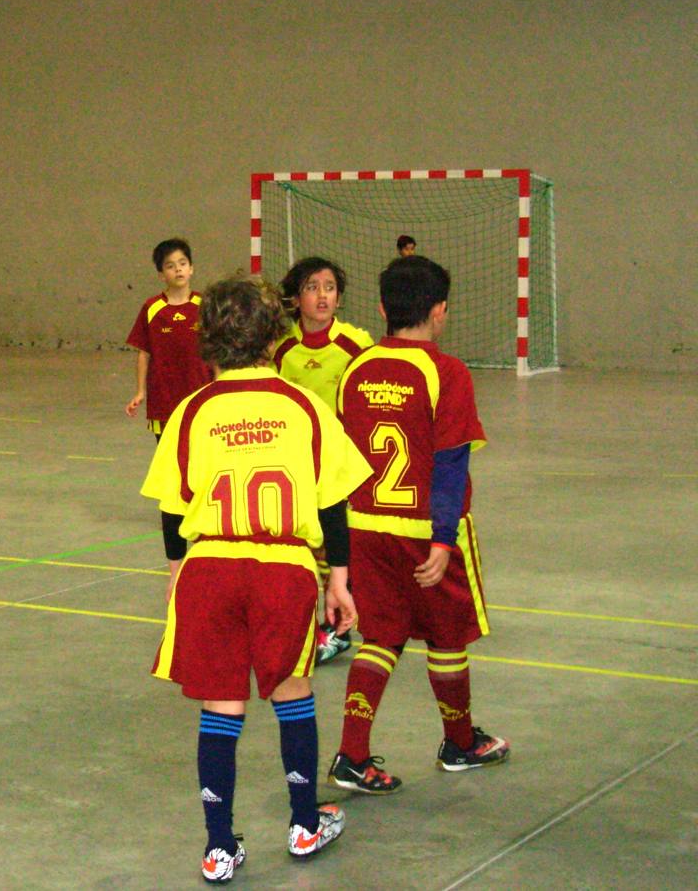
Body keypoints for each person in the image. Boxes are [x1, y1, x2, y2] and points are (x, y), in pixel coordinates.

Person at [142, 274, 372, 882]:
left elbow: (171, 508)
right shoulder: (304, 407)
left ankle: (219, 846)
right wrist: (340, 581)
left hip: (210, 567)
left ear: (206, 339)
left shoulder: (192, 411)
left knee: (221, 704)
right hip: (282, 568)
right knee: (291, 692)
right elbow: (332, 504)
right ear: (276, 334)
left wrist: (175, 575)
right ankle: (303, 824)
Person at [326, 255, 510, 797]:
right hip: (423, 530)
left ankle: (351, 756)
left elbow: (338, 464)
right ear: (439, 311)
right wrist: (442, 537)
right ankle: (459, 743)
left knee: (380, 636)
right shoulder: (446, 372)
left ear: (382, 308)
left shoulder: (354, 370)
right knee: (448, 637)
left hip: (364, 528)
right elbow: (452, 463)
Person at [275, 257, 373, 666]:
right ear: (296, 298)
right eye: (312, 287)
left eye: (329, 287)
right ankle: (316, 626)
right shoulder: (280, 349)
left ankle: (342, 623)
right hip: (296, 466)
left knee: (341, 547)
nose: (322, 295)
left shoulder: (356, 343)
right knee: (304, 549)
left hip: (340, 465)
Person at [125, 238, 213, 599]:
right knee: (174, 481)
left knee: (206, 475)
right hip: (165, 407)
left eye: (183, 263)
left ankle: (207, 544)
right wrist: (141, 391)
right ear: (161, 273)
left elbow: (217, 351)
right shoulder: (151, 309)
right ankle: (177, 566)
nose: (178, 270)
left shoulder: (205, 306)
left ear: (191, 268)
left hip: (203, 406)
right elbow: (143, 353)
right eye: (170, 265)